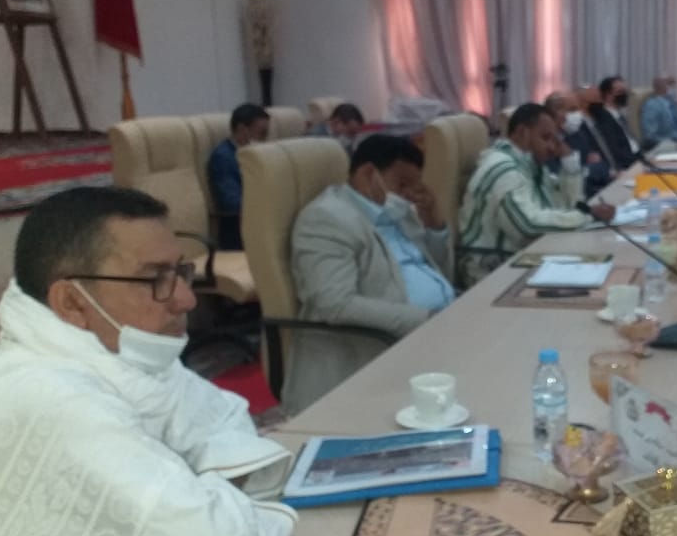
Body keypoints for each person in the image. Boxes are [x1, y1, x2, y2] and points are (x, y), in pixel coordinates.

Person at [0, 187, 296, 536]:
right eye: (155, 279)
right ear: (72, 303)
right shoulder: (52, 397)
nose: (187, 299)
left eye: (179, 272)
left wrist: (196, 488)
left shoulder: (126, 359)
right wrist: (202, 484)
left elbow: (228, 423)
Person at [288, 135, 453, 413]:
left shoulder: (399, 212)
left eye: (413, 186)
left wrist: (433, 219)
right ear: (367, 174)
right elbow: (335, 304)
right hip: (384, 347)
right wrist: (424, 320)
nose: (408, 195)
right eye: (402, 184)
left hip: (436, 331)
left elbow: (439, 271)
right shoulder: (327, 219)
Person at [458, 103, 616, 285]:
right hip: (491, 270)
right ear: (522, 133)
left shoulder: (529, 165)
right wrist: (586, 216)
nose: (552, 147)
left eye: (555, 139)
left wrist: (568, 160)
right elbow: (528, 225)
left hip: (522, 257)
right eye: (546, 137)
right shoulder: (503, 169)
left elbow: (566, 207)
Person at [208, 103, 270, 250]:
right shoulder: (223, 157)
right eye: (262, 133)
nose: (265, 139)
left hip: (259, 223)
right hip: (237, 232)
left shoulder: (253, 154)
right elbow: (232, 202)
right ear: (242, 129)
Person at [544, 90, 613, 198]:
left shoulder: (577, 134)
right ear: (554, 114)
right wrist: (588, 169)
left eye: (578, 108)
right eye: (572, 110)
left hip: (596, 191)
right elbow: (562, 183)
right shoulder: (545, 144)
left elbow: (602, 166)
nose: (578, 114)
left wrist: (584, 170)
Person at [593, 76, 641, 168]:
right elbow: (615, 151)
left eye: (625, 91)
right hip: (627, 165)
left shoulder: (619, 114)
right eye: (620, 92)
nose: (624, 95)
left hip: (637, 158)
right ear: (608, 95)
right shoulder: (603, 118)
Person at [641, 75, 677, 147]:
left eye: (674, 84)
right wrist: (673, 142)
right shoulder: (652, 106)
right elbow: (650, 136)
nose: (674, 87)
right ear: (659, 86)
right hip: (665, 146)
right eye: (670, 83)